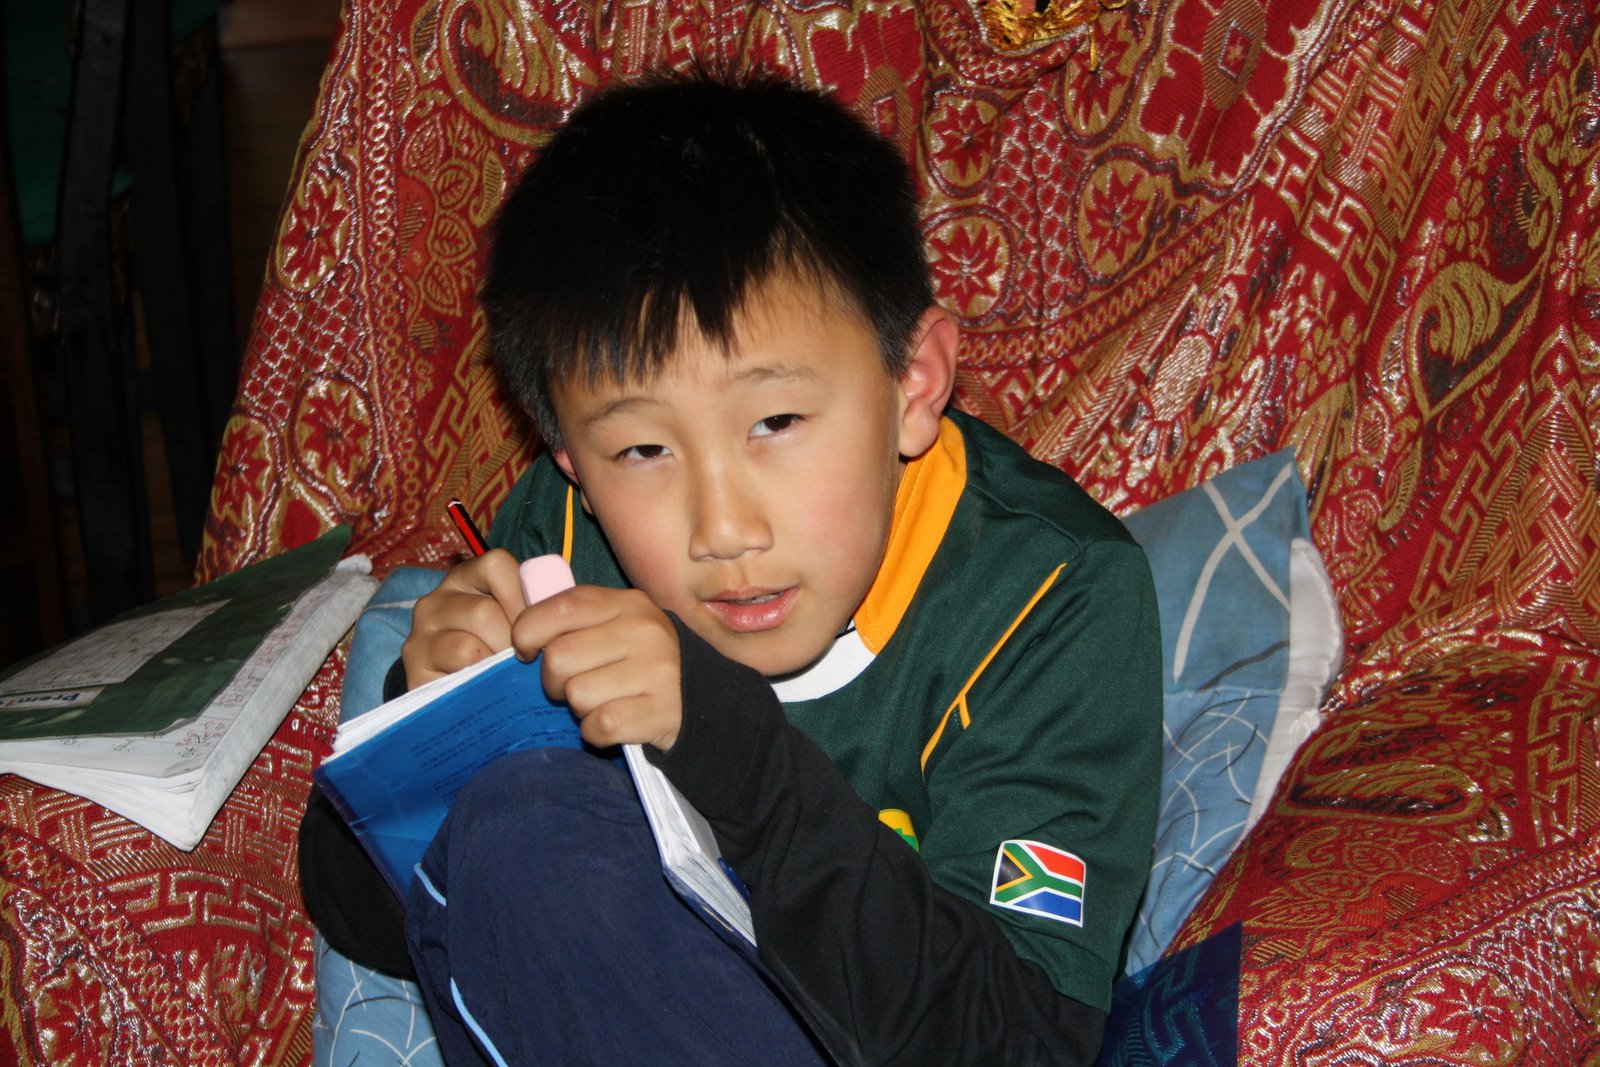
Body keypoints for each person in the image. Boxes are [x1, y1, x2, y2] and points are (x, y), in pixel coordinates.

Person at [301, 70, 1161, 1066]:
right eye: (642, 450)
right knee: (520, 825)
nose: (723, 527)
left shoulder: (1046, 598)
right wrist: (430, 724)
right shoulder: (565, 544)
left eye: (776, 421)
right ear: (569, 459)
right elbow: (365, 914)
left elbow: (1019, 1041)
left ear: (913, 382)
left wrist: (721, 739)